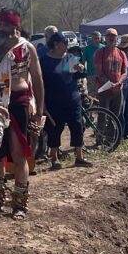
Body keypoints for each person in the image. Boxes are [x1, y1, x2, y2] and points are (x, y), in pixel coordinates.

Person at [0, 8, 44, 220]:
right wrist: (1, 50)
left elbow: (37, 78)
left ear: (15, 27)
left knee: (18, 152)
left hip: (19, 102)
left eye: (6, 25)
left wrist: (39, 111)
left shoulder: (27, 47)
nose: (2, 28)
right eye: (0, 24)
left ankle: (19, 203)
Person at [39, 32, 91, 169]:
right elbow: (40, 83)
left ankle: (79, 157)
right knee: (55, 129)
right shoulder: (45, 61)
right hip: (54, 102)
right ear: (56, 44)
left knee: (77, 126)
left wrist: (81, 68)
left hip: (72, 100)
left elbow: (80, 74)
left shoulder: (70, 58)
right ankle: (54, 158)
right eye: (65, 43)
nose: (67, 46)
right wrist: (42, 102)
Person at [93, 28, 127, 119]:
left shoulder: (121, 53)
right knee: (103, 116)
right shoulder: (100, 52)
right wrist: (109, 83)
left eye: (113, 37)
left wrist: (118, 83)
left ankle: (112, 133)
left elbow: (124, 72)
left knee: (115, 116)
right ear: (105, 38)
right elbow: (98, 72)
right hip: (104, 89)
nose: (111, 39)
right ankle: (100, 133)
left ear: (117, 39)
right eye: (109, 37)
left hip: (118, 89)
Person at [82, 30, 103, 97]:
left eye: (98, 38)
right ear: (92, 39)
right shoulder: (87, 49)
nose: (97, 40)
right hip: (91, 76)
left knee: (102, 95)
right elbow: (83, 62)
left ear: (100, 38)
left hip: (102, 76)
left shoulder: (103, 48)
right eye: (95, 38)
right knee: (92, 95)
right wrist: (84, 75)